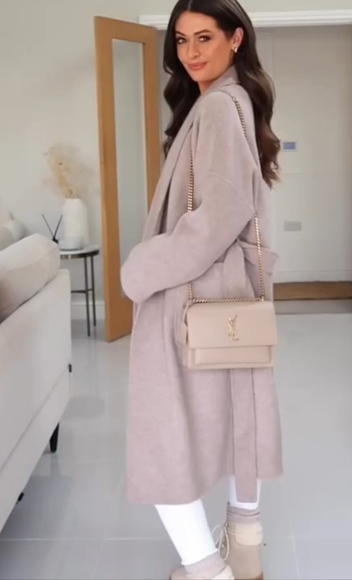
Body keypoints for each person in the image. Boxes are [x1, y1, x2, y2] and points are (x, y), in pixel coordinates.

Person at [120, 0, 282, 578]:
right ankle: (245, 545)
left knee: (163, 433)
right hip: (227, 295)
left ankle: (206, 569)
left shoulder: (216, 108)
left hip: (189, 291)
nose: (190, 52)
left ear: (235, 39)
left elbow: (221, 214)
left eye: (205, 37)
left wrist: (142, 268)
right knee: (239, 417)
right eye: (182, 40)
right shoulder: (234, 101)